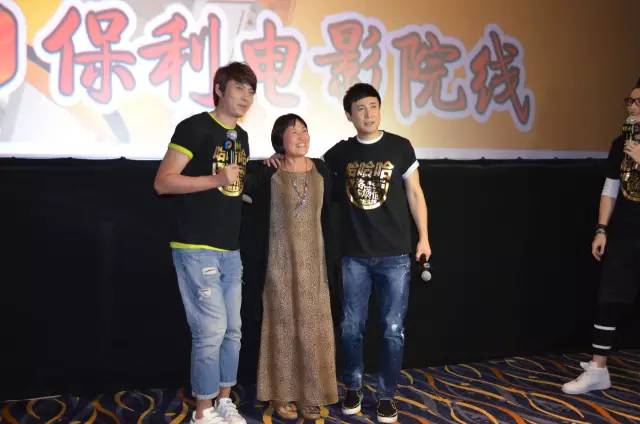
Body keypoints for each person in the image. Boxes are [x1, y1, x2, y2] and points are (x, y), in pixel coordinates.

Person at [267, 83, 431, 423]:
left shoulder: (400, 147)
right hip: (354, 256)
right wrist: (276, 159)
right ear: (348, 115)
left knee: (393, 330)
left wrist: (424, 238)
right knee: (351, 328)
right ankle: (353, 388)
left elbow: (415, 193)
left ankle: (386, 396)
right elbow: (303, 168)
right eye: (360, 108)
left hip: (395, 255)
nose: (368, 114)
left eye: (373, 106)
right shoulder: (339, 154)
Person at [153, 62, 256, 424]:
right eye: (239, 88)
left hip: (230, 248)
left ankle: (225, 401)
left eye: (251, 91)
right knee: (210, 330)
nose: (246, 96)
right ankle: (203, 411)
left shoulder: (242, 137)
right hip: (196, 247)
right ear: (219, 89)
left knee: (233, 331)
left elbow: (232, 186)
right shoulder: (194, 127)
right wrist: (214, 181)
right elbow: (163, 182)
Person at [247, 114, 338, 420]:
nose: (302, 136)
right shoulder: (268, 172)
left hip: (314, 265)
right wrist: (263, 164)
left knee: (313, 328)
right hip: (279, 264)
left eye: (305, 131)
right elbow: (242, 194)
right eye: (294, 132)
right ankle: (282, 394)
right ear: (279, 139)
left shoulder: (322, 169)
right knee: (282, 326)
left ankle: (312, 394)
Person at [562, 82, 640, 395]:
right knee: (609, 296)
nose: (632, 106)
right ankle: (598, 369)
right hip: (626, 229)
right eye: (630, 100)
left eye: (638, 102)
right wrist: (601, 228)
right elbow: (611, 186)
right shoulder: (621, 142)